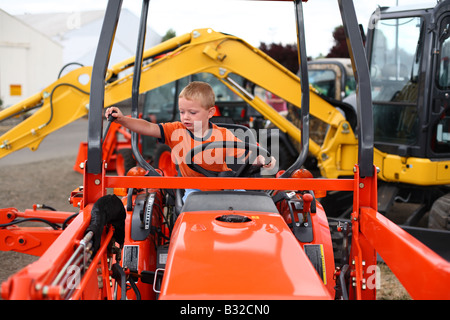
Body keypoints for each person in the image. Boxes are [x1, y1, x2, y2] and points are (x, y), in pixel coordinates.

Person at [105, 81, 276, 201]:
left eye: (192, 113)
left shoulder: (224, 135)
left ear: (210, 113)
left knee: (248, 206)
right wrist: (121, 119)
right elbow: (148, 127)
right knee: (192, 211)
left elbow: (248, 156)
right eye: (182, 112)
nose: (185, 117)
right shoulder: (176, 131)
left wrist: (263, 160)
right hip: (194, 188)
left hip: (225, 186)